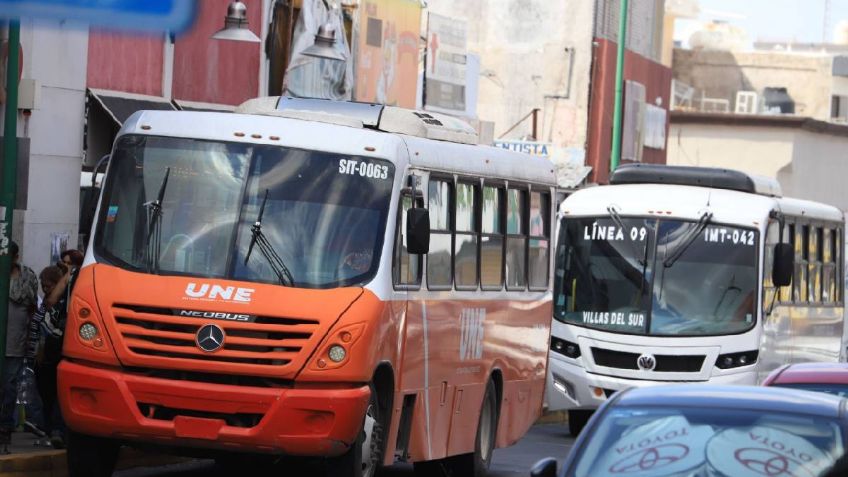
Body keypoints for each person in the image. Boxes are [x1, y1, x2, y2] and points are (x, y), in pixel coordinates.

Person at [0, 242, 39, 450]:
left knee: (9, 386)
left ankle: (5, 426)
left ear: (15, 257)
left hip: (15, 342)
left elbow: (33, 307)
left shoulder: (27, 277)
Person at [27, 264, 71, 449]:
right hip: (39, 359)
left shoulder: (61, 306)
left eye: (49, 286)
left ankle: (56, 431)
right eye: (43, 286)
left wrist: (43, 347)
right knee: (44, 394)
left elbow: (54, 330)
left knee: (55, 396)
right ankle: (47, 429)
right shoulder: (44, 303)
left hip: (53, 357)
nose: (45, 290)